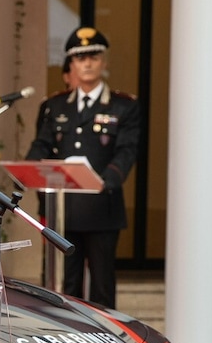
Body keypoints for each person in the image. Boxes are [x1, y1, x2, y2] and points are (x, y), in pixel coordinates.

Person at [26, 26, 141, 307]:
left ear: (104, 62)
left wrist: (106, 180)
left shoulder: (124, 106)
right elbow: (42, 144)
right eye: (80, 58)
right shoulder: (54, 106)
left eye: (93, 57)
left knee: (102, 286)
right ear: (72, 64)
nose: (87, 63)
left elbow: (127, 151)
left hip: (102, 207)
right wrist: (29, 169)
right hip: (63, 210)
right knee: (66, 287)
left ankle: (105, 333)